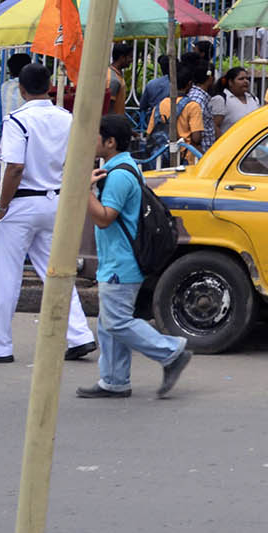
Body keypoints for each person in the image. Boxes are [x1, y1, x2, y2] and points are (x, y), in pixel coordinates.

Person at [76, 114, 191, 400]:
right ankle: (114, 381)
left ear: (110, 142)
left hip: (122, 262)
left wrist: (84, 189)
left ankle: (171, 352)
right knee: (108, 323)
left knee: (116, 322)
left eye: (96, 137)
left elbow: (104, 218)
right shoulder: (124, 167)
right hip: (118, 259)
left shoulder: (118, 176)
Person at [0, 63, 96, 364]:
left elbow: (14, 168)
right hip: (55, 202)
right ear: (51, 84)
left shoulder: (18, 120)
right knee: (58, 271)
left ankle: (1, 346)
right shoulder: (66, 118)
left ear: (21, 89)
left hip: (21, 203)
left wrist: (2, 204)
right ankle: (80, 335)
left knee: (6, 276)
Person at [209, 65, 260, 136]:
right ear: (230, 82)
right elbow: (215, 126)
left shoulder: (254, 99)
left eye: (247, 78)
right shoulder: (221, 100)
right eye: (241, 79)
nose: (245, 81)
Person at [0, 52, 29, 124]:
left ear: (11, 71)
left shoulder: (5, 86)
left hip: (8, 126)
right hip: (25, 127)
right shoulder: (30, 85)